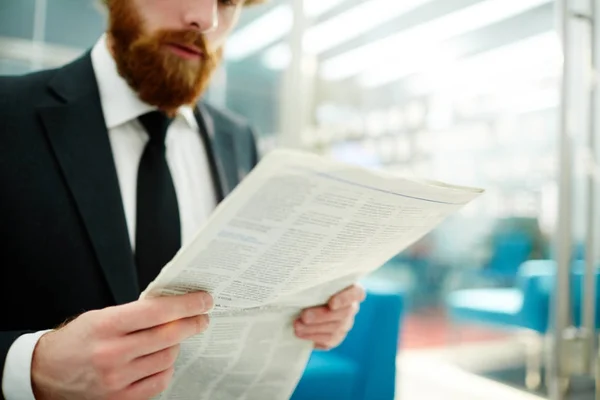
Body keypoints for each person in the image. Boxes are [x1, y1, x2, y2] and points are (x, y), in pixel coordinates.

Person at [0, 0, 366, 399]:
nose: (206, 19)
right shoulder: (8, 116)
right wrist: (29, 365)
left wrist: (311, 313)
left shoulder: (238, 141)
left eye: (229, 2)